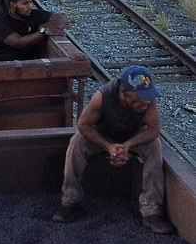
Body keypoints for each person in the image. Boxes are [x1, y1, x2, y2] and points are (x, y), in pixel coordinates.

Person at [53, 65, 175, 234]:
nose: (145, 101)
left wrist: (128, 145)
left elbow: (154, 129)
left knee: (155, 146)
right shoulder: (103, 97)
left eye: (148, 96)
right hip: (104, 136)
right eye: (140, 97)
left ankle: (152, 212)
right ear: (124, 92)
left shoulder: (148, 100)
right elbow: (83, 124)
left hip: (132, 137)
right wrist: (109, 146)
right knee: (76, 143)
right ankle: (71, 202)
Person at [0, 0, 68, 60]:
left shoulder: (33, 14)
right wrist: (44, 31)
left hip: (31, 59)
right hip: (7, 62)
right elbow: (19, 43)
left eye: (30, 2)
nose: (30, 6)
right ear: (13, 5)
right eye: (25, 3)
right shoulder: (1, 22)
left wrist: (52, 26)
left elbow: (60, 19)